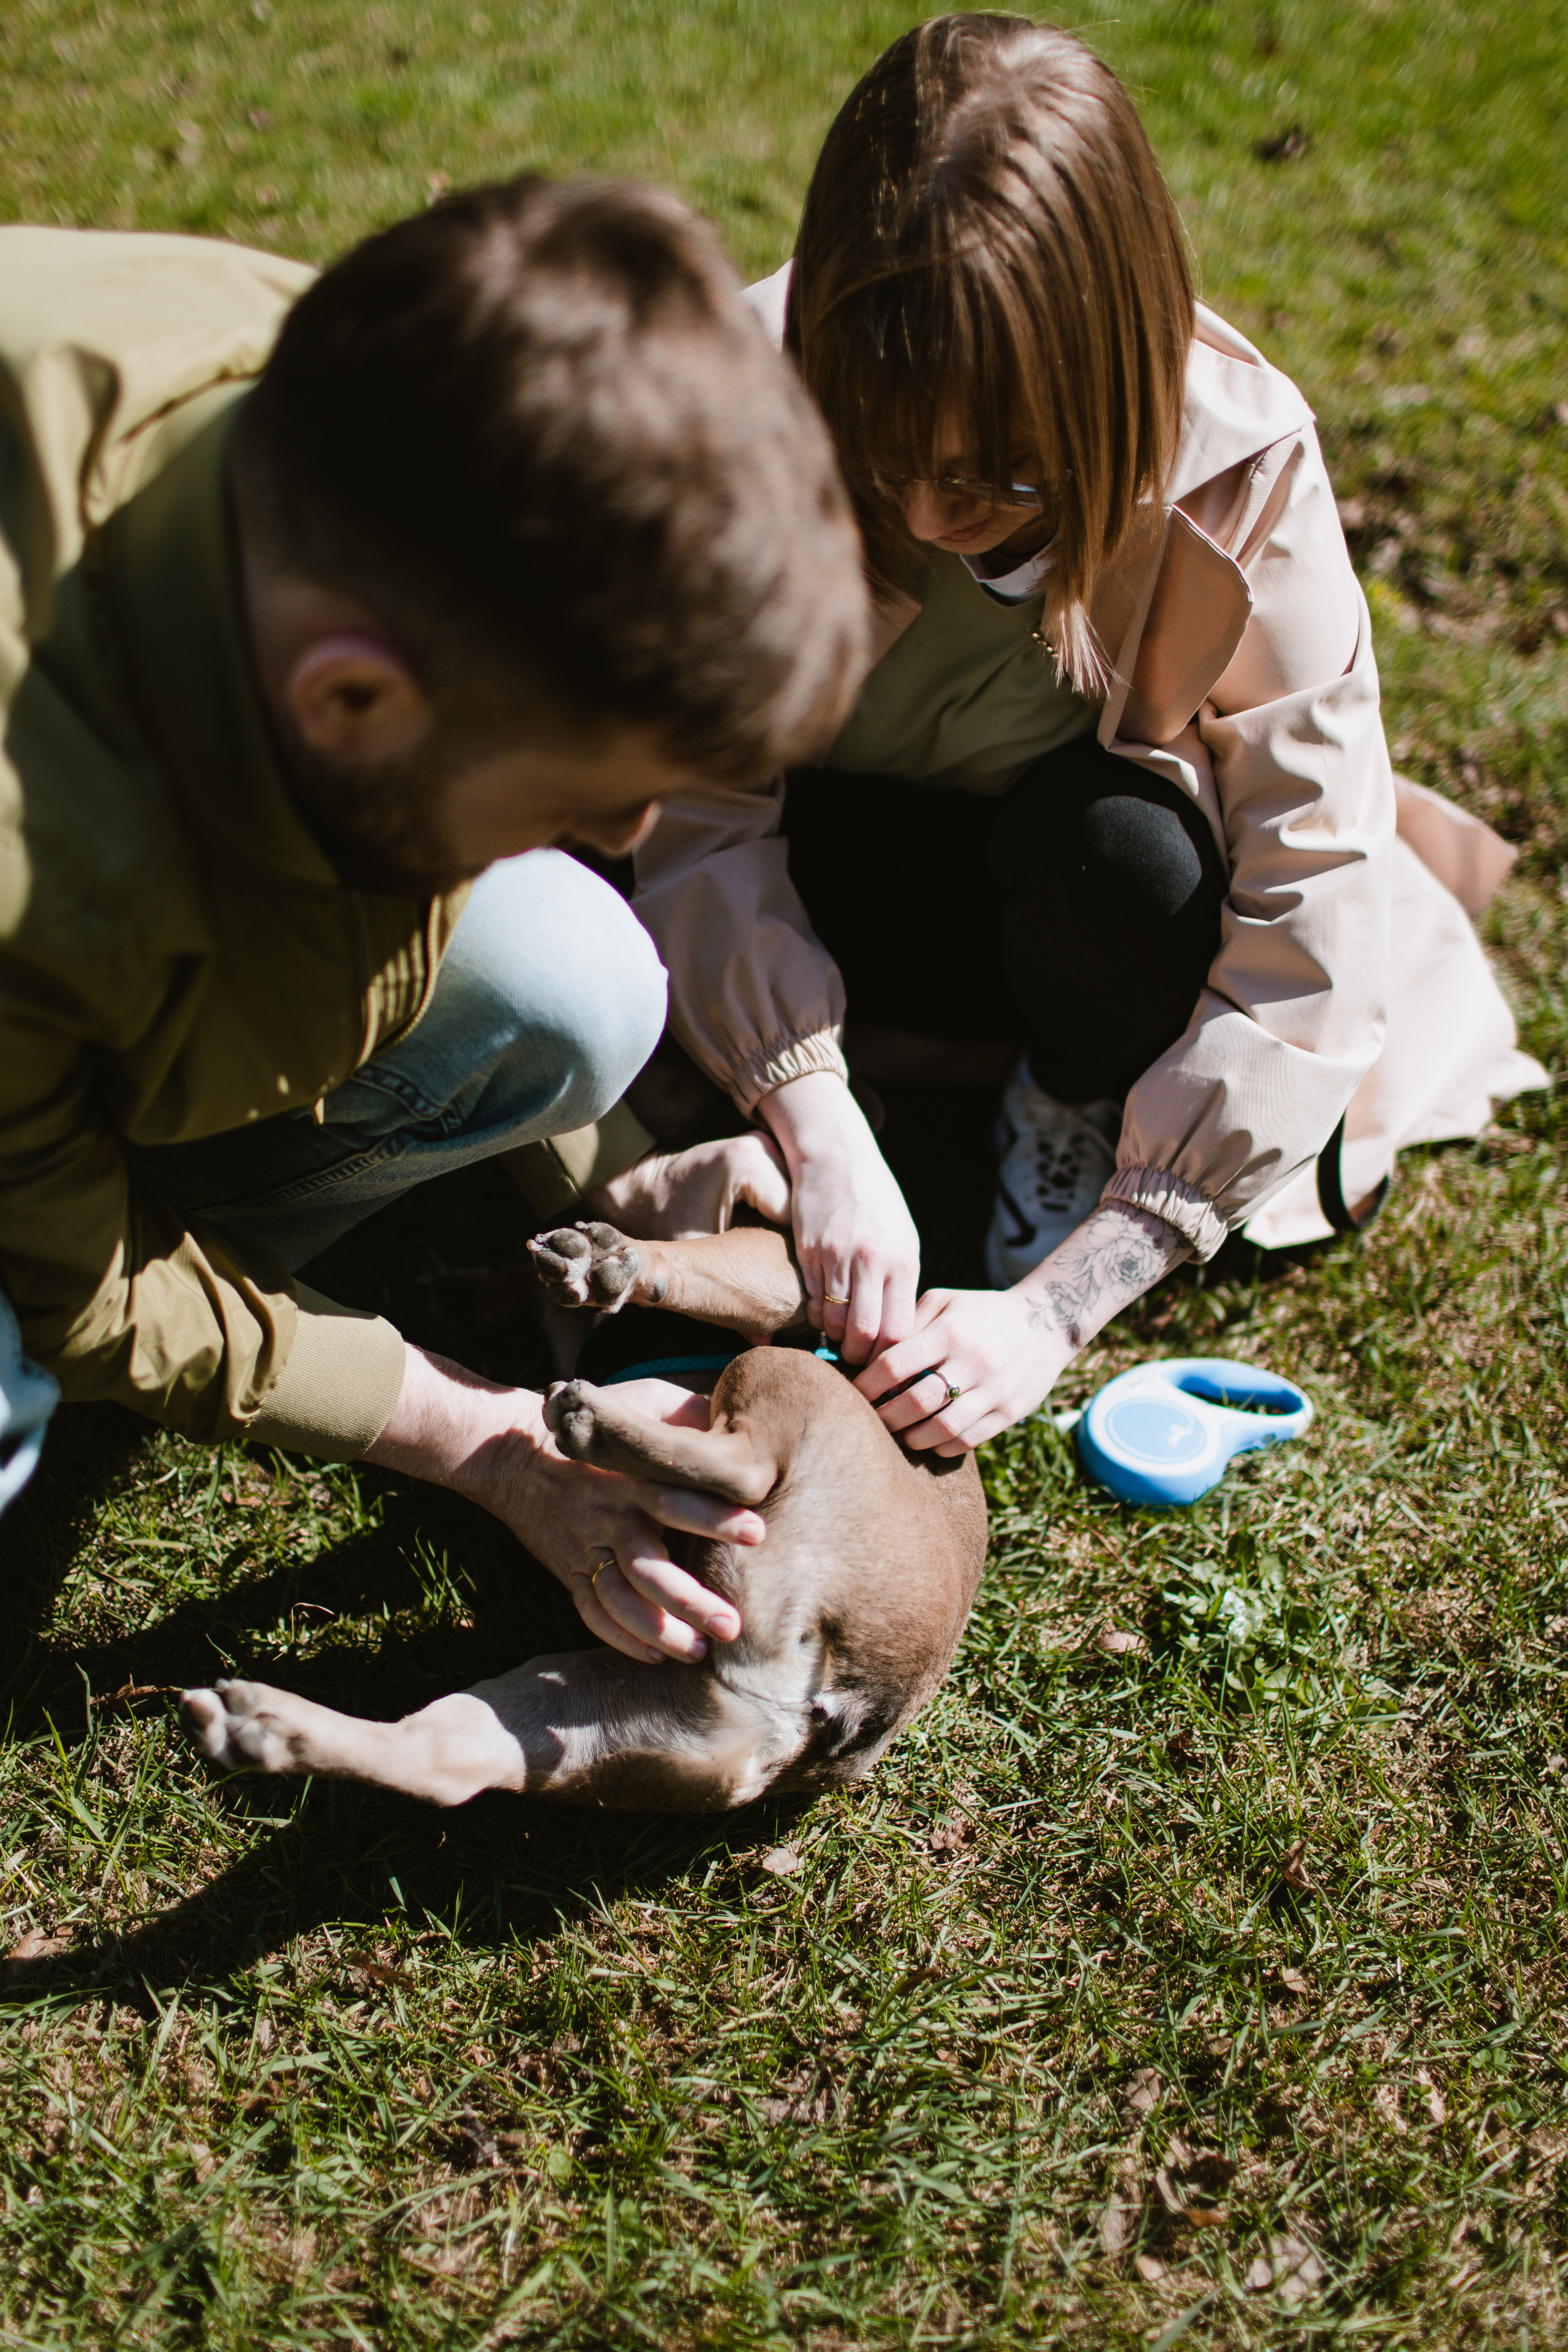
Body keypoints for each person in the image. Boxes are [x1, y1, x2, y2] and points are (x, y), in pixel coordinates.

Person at [633, 12, 1544, 1456]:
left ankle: (1056, 1106)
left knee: (1130, 860)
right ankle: (849, 1095)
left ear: (1108, 389)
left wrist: (1063, 1300)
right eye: (887, 463)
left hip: (1064, 904)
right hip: (827, 874)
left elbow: (1311, 889)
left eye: (995, 477)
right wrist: (810, 1112)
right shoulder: (729, 406)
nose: (930, 522)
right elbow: (691, 812)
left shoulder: (1232, 458)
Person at [0, 179, 868, 1646]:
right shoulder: (36, 860)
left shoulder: (354, 399)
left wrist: (612, 1170)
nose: (623, 842)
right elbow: (86, 1282)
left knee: (574, 980)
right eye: (574, 803)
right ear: (351, 700)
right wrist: (480, 1438)